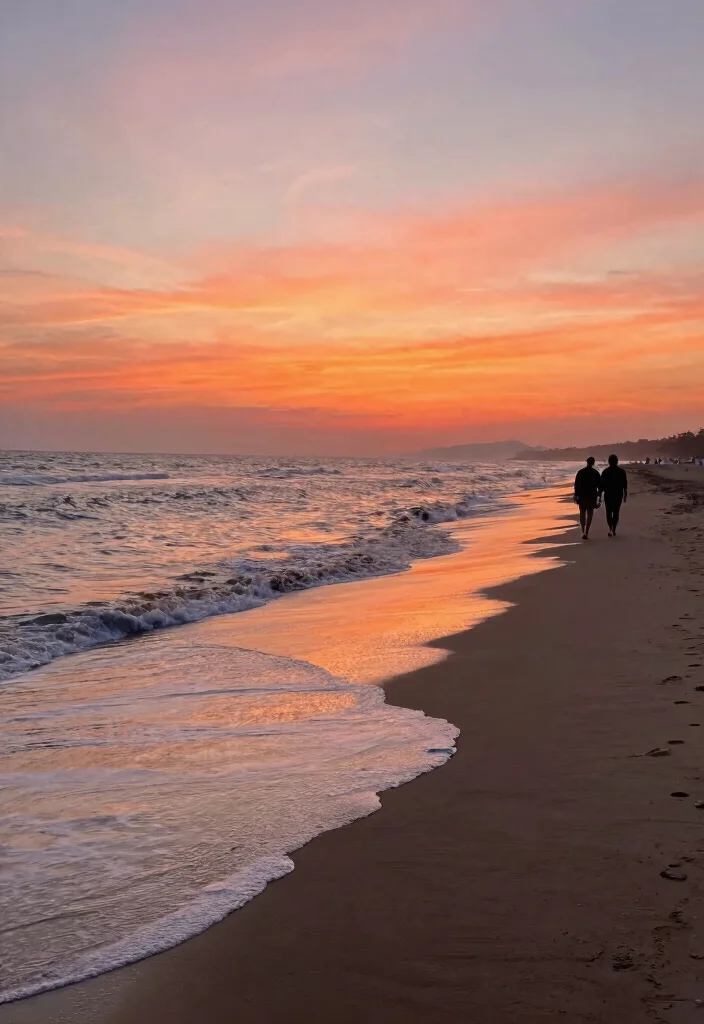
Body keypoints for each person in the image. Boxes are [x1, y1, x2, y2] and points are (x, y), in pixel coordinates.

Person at [599, 454, 628, 536]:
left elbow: (601, 485)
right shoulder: (621, 472)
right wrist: (625, 495)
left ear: (609, 462)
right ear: (617, 461)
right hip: (618, 494)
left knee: (608, 512)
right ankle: (614, 528)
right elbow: (625, 484)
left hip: (608, 495)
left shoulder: (605, 471)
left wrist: (599, 495)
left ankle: (610, 528)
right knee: (616, 512)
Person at [573, 456, 601, 540]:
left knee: (582, 513)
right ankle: (587, 532)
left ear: (587, 462)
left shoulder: (580, 472)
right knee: (590, 513)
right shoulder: (595, 473)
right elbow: (599, 486)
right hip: (592, 495)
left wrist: (575, 495)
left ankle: (582, 530)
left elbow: (576, 485)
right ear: (593, 463)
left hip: (582, 495)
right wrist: (599, 497)